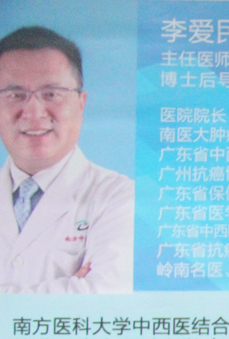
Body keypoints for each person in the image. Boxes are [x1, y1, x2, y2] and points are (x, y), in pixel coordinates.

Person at [0, 25, 133, 294]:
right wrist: (71, 290)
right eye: (16, 95)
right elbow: (80, 300)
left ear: (81, 104)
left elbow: (105, 297)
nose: (34, 112)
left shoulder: (118, 196)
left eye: (51, 94)